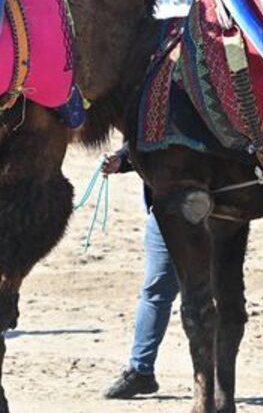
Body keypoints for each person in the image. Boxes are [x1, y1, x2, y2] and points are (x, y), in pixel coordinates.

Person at [101, 145, 179, 400]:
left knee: (215, 294)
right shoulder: (153, 109)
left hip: (214, 208)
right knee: (156, 290)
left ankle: (217, 379)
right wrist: (122, 160)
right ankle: (140, 371)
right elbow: (149, 141)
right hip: (166, 208)